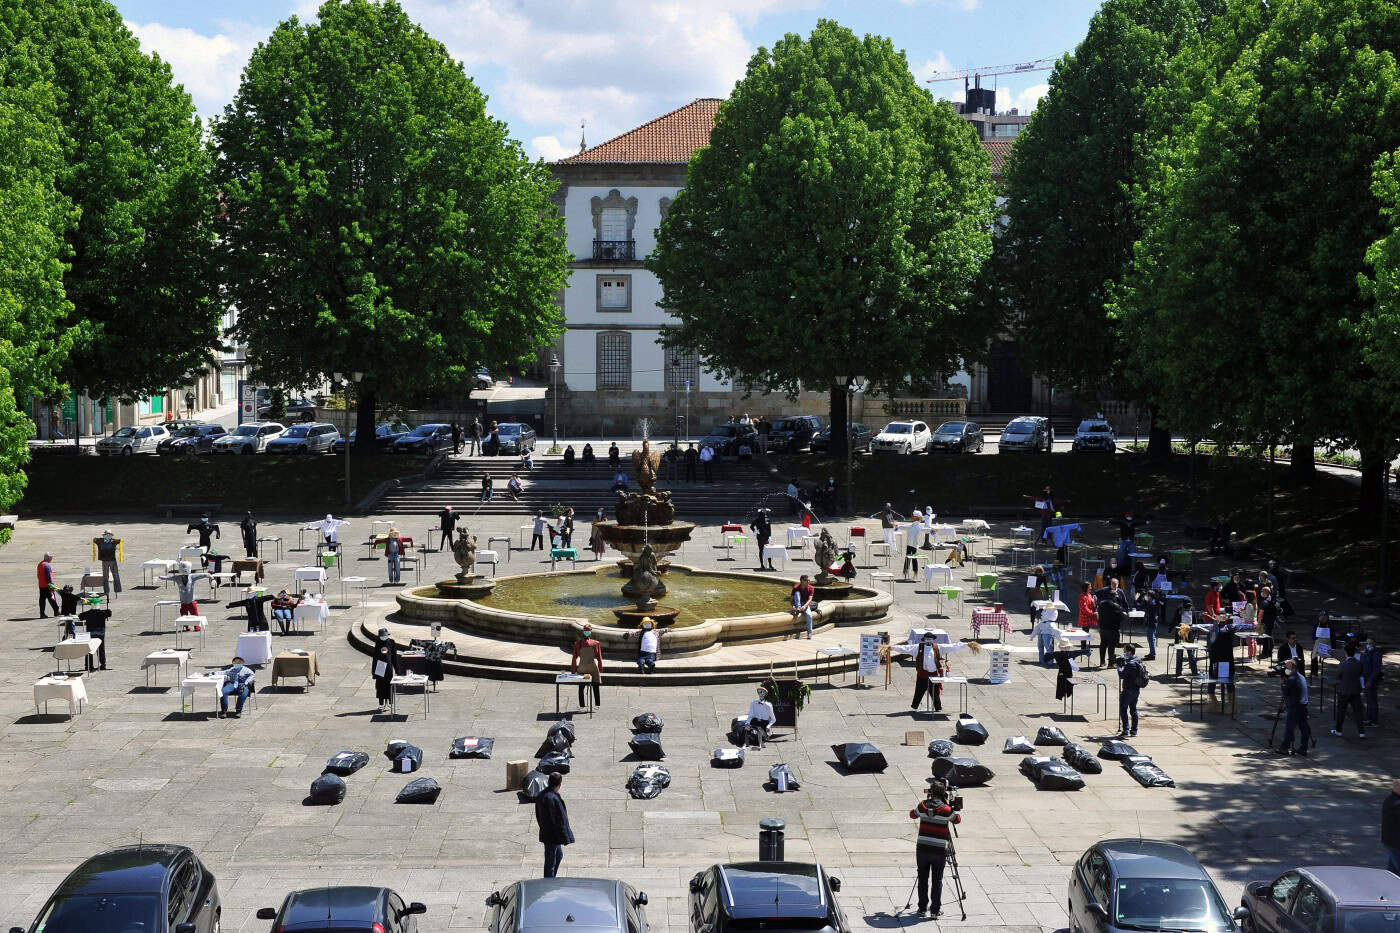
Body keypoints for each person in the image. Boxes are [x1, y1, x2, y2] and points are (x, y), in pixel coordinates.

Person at [909, 778, 961, 918]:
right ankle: (934, 910)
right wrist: (952, 807)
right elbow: (957, 820)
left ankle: (921, 909)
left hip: (922, 849)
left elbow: (912, 814)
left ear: (931, 792)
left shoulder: (922, 806)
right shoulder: (946, 810)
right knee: (937, 880)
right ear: (943, 793)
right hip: (939, 850)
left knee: (922, 879)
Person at [535, 771, 575, 878]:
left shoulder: (542, 795)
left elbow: (538, 815)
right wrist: (565, 836)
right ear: (559, 785)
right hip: (552, 836)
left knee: (558, 856)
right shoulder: (552, 799)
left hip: (548, 834)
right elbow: (559, 820)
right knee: (550, 862)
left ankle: (552, 879)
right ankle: (549, 882)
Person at [1332, 642, 1367, 739]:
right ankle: (1361, 732)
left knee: (1341, 712)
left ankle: (1338, 731)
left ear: (1345, 652)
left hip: (1344, 690)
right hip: (1355, 690)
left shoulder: (1343, 664)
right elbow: (1360, 673)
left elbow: (1338, 676)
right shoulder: (1359, 663)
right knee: (1358, 712)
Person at [1277, 658, 1312, 757]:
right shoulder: (1301, 676)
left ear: (1293, 668)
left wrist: (1283, 683)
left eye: (1288, 667)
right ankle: (1303, 748)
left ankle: (1284, 748)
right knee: (1304, 727)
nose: (1286, 669)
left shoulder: (1292, 679)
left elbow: (1286, 692)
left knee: (1290, 728)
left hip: (1296, 706)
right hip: (1303, 705)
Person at [1115, 644, 1147, 738]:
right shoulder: (1138, 660)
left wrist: (1118, 667)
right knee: (1133, 710)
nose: (1124, 653)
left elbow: (1122, 675)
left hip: (1128, 689)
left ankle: (1126, 730)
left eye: (1125, 651)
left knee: (1123, 709)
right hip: (1136, 690)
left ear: (1129, 652)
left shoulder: (1130, 664)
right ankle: (1134, 730)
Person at [1095, 579, 1128, 668]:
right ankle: (1111, 664)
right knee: (1111, 646)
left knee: (1103, 645)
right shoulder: (1116, 606)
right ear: (1114, 597)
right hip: (1112, 629)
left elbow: (1098, 614)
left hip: (1102, 628)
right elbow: (1122, 617)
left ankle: (1102, 662)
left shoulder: (1101, 604)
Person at [570, 625, 603, 707]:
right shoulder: (595, 643)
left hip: (582, 668)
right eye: (586, 631)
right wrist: (600, 667)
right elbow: (599, 657)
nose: (587, 632)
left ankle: (582, 706)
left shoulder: (578, 644)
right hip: (592, 668)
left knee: (581, 688)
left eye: (587, 631)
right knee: (595, 686)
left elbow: (574, 658)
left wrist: (573, 670)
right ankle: (597, 705)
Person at [911, 633, 945, 711]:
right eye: (927, 639)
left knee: (935, 692)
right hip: (922, 674)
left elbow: (951, 647)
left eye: (930, 639)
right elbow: (905, 648)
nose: (929, 640)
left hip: (933, 674)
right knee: (919, 691)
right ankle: (915, 705)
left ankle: (938, 707)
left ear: (933, 640)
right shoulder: (919, 647)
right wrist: (892, 647)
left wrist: (967, 644)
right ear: (924, 640)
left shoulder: (937, 647)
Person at [371, 626, 398, 713]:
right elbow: (375, 657)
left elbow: (394, 657)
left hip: (389, 668)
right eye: (382, 636)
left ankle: (390, 702)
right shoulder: (378, 643)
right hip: (380, 667)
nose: (384, 637)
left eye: (385, 635)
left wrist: (397, 668)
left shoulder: (391, 642)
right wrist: (374, 671)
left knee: (389, 685)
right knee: (380, 686)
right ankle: (381, 703)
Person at [77, 605, 110, 671]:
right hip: (100, 633)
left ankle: (88, 665)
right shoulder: (103, 613)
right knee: (101, 649)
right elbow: (109, 613)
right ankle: (103, 664)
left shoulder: (88, 613)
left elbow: (80, 616)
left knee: (89, 649)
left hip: (90, 633)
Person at [92, 528, 123, 597]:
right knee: (105, 577)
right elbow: (94, 539)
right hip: (104, 561)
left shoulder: (114, 541)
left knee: (115, 575)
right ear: (104, 535)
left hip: (112, 561)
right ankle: (106, 591)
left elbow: (119, 540)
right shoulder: (100, 541)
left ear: (111, 536)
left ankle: (117, 590)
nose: (107, 536)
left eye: (109, 535)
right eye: (106, 534)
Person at [1361, 638, 1383, 726]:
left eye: (1370, 643)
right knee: (1368, 700)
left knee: (1373, 700)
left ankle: (1374, 721)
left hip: (1372, 681)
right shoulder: (1366, 653)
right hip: (1365, 679)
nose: (1368, 645)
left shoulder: (1376, 654)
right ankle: (1369, 718)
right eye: (1367, 643)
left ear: (1374, 644)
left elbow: (1376, 670)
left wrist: (1370, 681)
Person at [1383, 778, 1400, 875]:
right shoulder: (1396, 804)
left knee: (1393, 870)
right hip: (1395, 843)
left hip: (1390, 841)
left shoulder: (1390, 799)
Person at [791, 574, 816, 639]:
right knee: (797, 593)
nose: (808, 582)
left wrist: (804, 606)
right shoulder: (796, 587)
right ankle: (798, 608)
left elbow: (810, 599)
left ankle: (809, 633)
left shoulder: (811, 588)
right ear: (802, 581)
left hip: (806, 604)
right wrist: (793, 606)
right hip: (797, 603)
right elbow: (792, 599)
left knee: (809, 615)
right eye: (806, 580)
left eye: (808, 580)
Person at [902, 511, 924, 579]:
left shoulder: (918, 526)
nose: (912, 517)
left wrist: (932, 531)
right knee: (911, 558)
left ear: (916, 517)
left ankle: (910, 571)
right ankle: (910, 571)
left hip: (913, 544)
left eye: (913, 516)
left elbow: (926, 529)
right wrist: (897, 526)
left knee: (911, 558)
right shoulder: (912, 525)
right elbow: (904, 527)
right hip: (911, 544)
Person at [37, 552, 58, 618]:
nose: (51, 559)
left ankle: (42, 613)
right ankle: (56, 611)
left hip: (41, 585)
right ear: (48, 558)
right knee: (52, 598)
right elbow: (48, 577)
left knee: (42, 600)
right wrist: (51, 585)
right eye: (51, 558)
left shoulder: (40, 564)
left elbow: (38, 575)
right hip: (47, 585)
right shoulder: (47, 565)